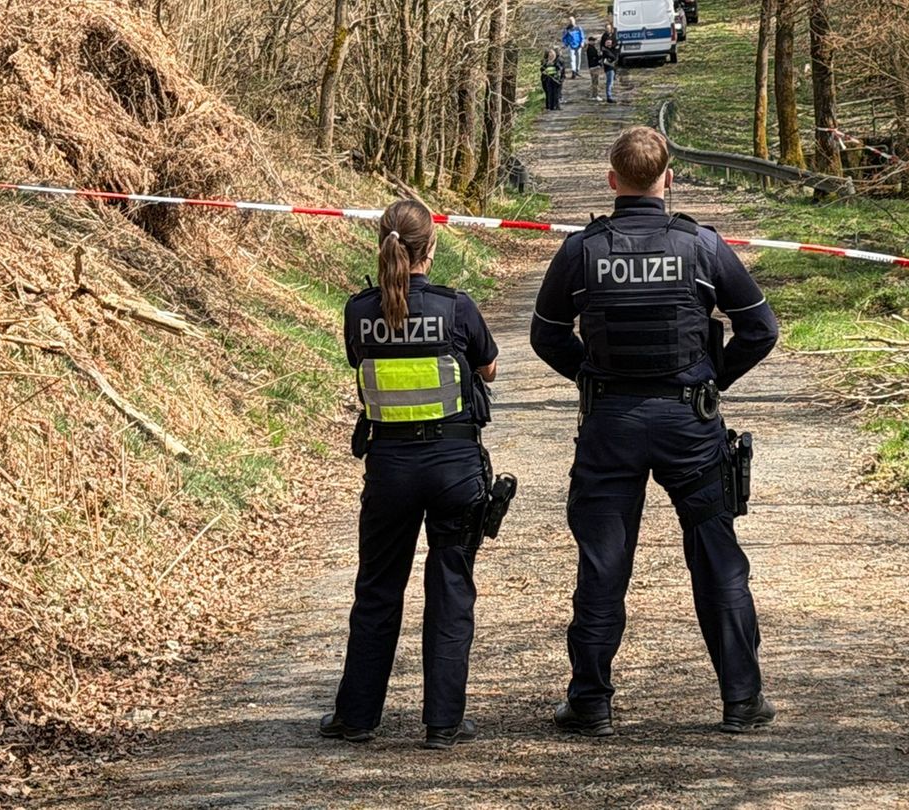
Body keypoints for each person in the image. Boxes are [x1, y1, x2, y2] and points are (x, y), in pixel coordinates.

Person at [530, 127, 781, 736]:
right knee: (717, 557)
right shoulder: (702, 247)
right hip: (689, 425)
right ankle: (742, 701)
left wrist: (593, 374)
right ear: (669, 179)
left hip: (611, 423)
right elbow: (761, 330)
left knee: (602, 564)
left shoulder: (582, 250)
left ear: (611, 180)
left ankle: (590, 704)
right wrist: (710, 379)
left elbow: (545, 335)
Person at [320, 200, 502, 751]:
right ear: (433, 247)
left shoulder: (358, 312)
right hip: (453, 468)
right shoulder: (457, 308)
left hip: (389, 469)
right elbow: (488, 367)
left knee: (377, 589)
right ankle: (443, 722)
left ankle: (356, 718)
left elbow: (360, 360)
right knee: (451, 590)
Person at [599, 27, 621, 104]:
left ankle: (609, 95)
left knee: (611, 81)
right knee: (609, 81)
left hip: (612, 65)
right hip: (608, 66)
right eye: (607, 43)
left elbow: (618, 50)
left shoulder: (612, 46)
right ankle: (609, 96)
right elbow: (612, 56)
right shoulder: (606, 50)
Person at [586, 36, 603, 101]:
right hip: (594, 67)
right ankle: (595, 95)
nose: (594, 42)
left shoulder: (592, 47)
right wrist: (600, 56)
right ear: (590, 41)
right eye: (593, 41)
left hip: (593, 66)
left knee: (594, 82)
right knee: (595, 82)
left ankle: (594, 95)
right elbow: (594, 57)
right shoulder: (590, 48)